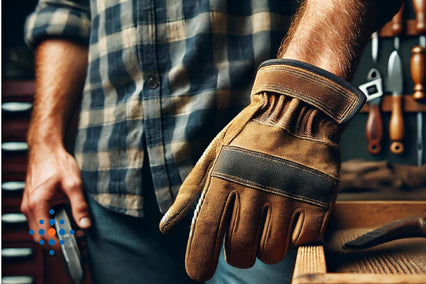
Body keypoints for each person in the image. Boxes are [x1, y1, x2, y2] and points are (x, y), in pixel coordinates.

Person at [22, 0, 401, 283]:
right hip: (110, 184)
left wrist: (296, 105)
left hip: (261, 177)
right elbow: (63, 13)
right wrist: (44, 143)